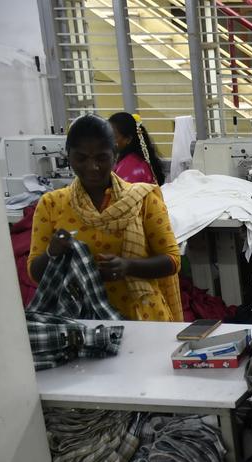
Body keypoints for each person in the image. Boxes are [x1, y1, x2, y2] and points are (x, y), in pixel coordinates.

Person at [28, 114, 182, 321]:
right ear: (68, 156)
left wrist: (128, 266)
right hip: (82, 322)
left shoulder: (143, 199)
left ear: (115, 155)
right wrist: (52, 252)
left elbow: (172, 261)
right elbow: (35, 273)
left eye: (101, 157)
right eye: (81, 158)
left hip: (142, 317)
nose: (92, 167)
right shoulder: (51, 204)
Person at [108, 111, 166, 186]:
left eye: (112, 136)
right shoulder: (132, 160)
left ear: (128, 139)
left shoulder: (130, 168)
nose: (106, 140)